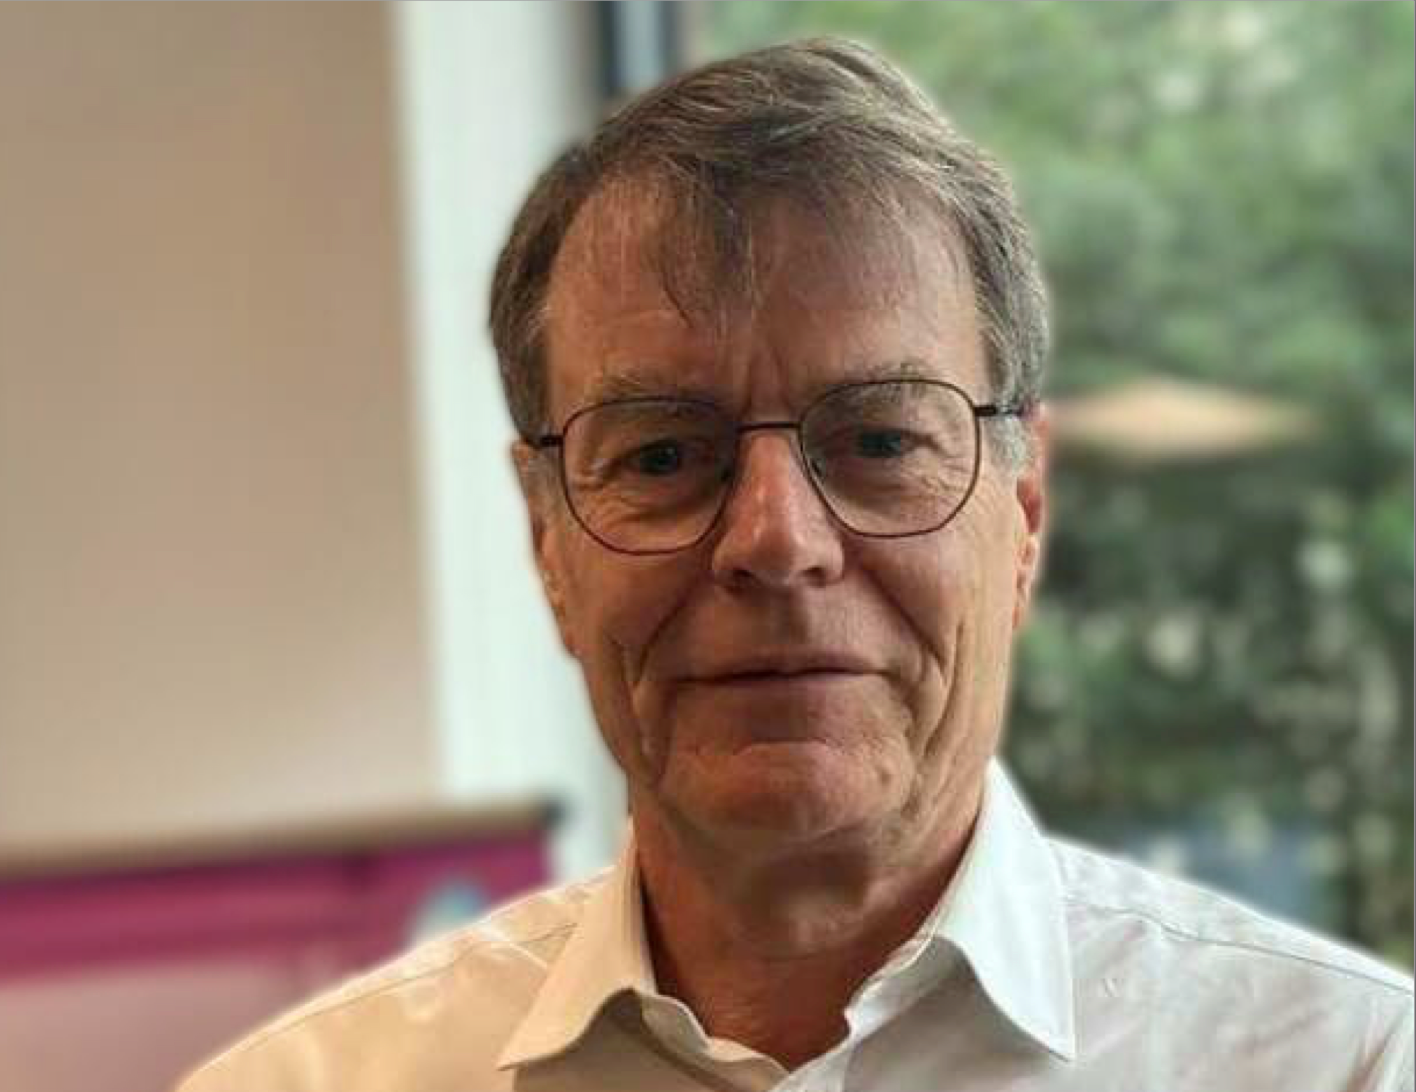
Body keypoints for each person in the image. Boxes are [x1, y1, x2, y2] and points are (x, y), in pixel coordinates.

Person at [177, 38, 1412, 1092]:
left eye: (879, 440)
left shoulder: (1340, 1065)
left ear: (1022, 510)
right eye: (664, 455)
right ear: (547, 540)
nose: (775, 539)